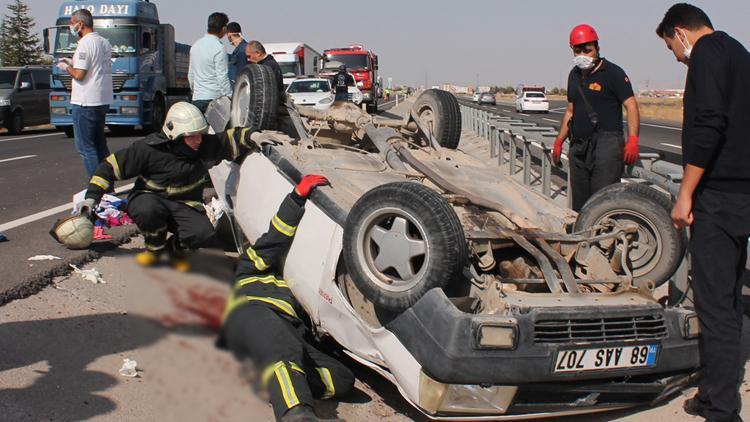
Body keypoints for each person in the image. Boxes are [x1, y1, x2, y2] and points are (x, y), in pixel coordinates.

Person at [657, 4, 750, 421]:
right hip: (743, 193)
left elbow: (710, 124)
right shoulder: (739, 53)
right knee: (728, 301)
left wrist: (686, 194)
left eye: (673, 49)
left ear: (681, 33)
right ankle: (718, 390)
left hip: (718, 198)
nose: (678, 58)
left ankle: (721, 406)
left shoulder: (708, 54)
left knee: (714, 304)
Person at [219, 174, 354, 422]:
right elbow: (276, 235)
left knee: (343, 380)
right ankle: (296, 413)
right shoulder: (248, 268)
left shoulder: (301, 288)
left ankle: (273, 378)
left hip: (292, 331)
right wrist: (296, 197)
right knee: (283, 348)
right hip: (256, 314)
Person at [75, 102, 257, 272]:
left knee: (202, 235)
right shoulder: (148, 149)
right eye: (191, 137)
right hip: (149, 199)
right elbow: (108, 168)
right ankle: (155, 250)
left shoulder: (204, 145)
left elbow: (229, 139)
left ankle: (171, 255)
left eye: (200, 134)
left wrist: (254, 136)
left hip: (185, 204)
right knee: (148, 210)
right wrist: (92, 198)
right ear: (174, 134)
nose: (198, 140)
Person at [551, 24, 641, 211]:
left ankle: (602, 239)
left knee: (602, 203)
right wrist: (559, 140)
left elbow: (631, 105)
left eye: (587, 49)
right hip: (580, 146)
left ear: (597, 48)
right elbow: (570, 111)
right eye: (578, 50)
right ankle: (581, 238)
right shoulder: (574, 76)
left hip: (606, 145)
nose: (583, 54)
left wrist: (633, 139)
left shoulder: (613, 73)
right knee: (580, 205)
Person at [56, 8, 113, 181]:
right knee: (100, 144)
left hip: (85, 101)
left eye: (72, 23)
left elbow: (80, 75)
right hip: (102, 98)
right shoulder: (104, 42)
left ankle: (97, 187)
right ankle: (107, 184)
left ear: (80, 24)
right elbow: (94, 65)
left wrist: (66, 67)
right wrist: (73, 62)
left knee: (85, 147)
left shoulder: (84, 44)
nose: (71, 27)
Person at [188, 12, 232, 113]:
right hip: (214, 99)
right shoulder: (219, 48)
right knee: (216, 129)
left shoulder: (195, 46)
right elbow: (222, 76)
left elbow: (191, 75)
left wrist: (196, 91)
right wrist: (229, 96)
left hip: (197, 99)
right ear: (224, 29)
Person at [226, 22, 248, 89]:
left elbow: (242, 75)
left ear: (229, 35)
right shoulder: (240, 49)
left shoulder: (241, 51)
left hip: (240, 90)